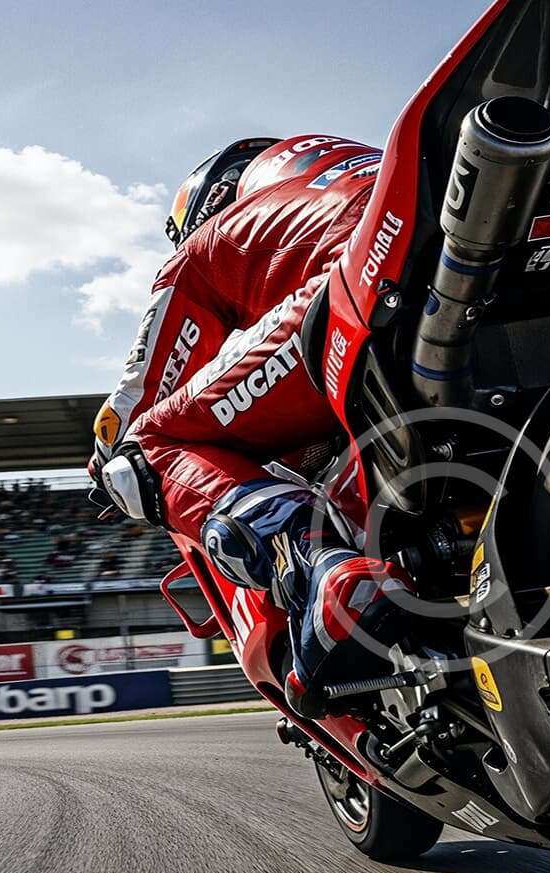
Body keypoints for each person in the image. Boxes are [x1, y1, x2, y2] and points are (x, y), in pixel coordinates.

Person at [87, 135, 407, 709]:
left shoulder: (213, 241)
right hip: (511, 252)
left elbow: (139, 395)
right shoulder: (351, 178)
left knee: (146, 447)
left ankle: (320, 566)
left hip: (361, 280)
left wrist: (104, 460)